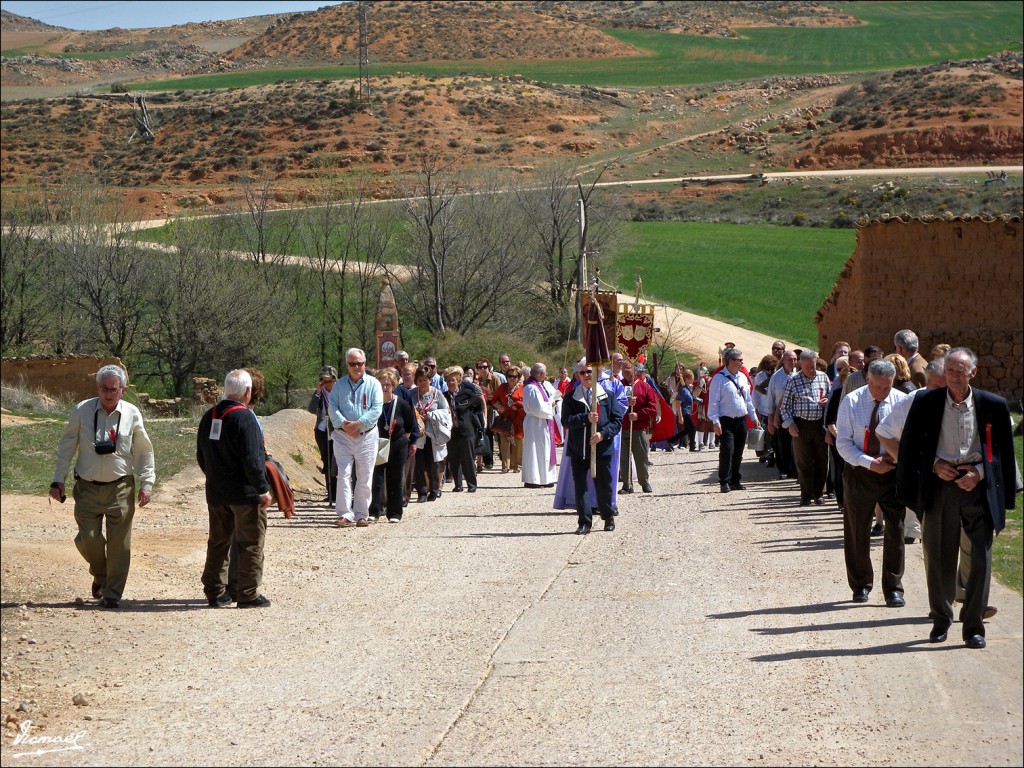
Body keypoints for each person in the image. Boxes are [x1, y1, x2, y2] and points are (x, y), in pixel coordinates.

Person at [889, 349, 1015, 647]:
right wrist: (933, 465)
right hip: (940, 487)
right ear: (944, 374)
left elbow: (1002, 455)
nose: (955, 377)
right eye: (951, 371)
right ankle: (941, 619)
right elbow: (911, 447)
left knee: (980, 560)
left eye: (961, 371)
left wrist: (980, 473)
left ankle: (973, 627)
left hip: (977, 489)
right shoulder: (926, 402)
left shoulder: (993, 405)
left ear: (973, 372)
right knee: (938, 557)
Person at [50, 364, 155, 609]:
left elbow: (143, 449)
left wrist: (147, 482)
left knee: (120, 544)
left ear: (123, 390)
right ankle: (102, 574)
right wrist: (58, 480)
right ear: (97, 387)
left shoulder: (132, 413)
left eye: (113, 389)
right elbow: (67, 446)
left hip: (120, 487)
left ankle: (112, 593)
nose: (108, 394)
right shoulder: (81, 411)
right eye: (103, 388)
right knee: (88, 539)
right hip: (86, 487)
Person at [835, 359, 909, 606]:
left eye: (886, 387)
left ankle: (893, 588)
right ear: (868, 380)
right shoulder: (852, 401)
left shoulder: (901, 401)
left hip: (893, 472)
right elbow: (843, 442)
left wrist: (893, 459)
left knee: (896, 528)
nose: (882, 392)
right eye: (877, 387)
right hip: (860, 471)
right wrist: (869, 462)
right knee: (857, 528)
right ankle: (860, 584)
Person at [197, 369, 272, 609]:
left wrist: (215, 477)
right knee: (250, 542)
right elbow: (252, 459)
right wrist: (262, 488)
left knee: (218, 542)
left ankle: (215, 591)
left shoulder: (210, 415)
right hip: (244, 493)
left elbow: (201, 456)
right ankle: (247, 593)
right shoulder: (245, 418)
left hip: (217, 492)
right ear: (247, 392)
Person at [561, 360, 624, 534]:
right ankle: (584, 522)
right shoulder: (571, 397)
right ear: (577, 375)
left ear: (595, 374)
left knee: (604, 485)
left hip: (602, 449)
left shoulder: (608, 396)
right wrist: (584, 418)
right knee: (580, 487)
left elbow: (617, 421)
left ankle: (608, 517)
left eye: (589, 371)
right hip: (579, 450)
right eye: (583, 373)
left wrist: (603, 434)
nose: (587, 375)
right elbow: (566, 421)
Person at [327, 347, 384, 528]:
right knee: (343, 474)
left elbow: (377, 409)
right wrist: (345, 424)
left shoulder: (374, 384)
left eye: (359, 363)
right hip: (343, 435)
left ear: (365, 364)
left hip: (366, 435)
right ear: (347, 365)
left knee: (365, 475)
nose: (356, 367)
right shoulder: (339, 385)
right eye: (352, 364)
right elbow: (332, 407)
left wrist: (358, 424)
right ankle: (344, 514)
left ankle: (361, 514)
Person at [780, 350, 832, 505]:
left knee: (822, 461)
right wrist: (790, 424)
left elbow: (831, 399)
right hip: (801, 425)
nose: (811, 369)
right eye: (808, 366)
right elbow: (785, 407)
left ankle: (819, 494)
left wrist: (826, 402)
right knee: (804, 462)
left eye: (813, 365)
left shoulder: (823, 377)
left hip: (820, 424)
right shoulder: (793, 381)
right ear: (800, 364)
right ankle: (806, 495)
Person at [708, 348, 759, 493]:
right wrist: (715, 421)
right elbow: (713, 402)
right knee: (727, 451)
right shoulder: (719, 378)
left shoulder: (742, 377)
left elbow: (748, 399)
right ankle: (724, 481)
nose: (742, 362)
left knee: (738, 451)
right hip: (726, 421)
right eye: (740, 360)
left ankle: (735, 480)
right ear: (731, 361)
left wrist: (753, 417)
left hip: (741, 420)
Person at [370, 369, 418, 523]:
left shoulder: (401, 403)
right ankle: (374, 511)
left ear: (393, 385)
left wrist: (405, 441)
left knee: (395, 479)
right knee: (376, 479)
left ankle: (395, 513)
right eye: (381, 385)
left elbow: (411, 425)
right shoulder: (374, 404)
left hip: (397, 446)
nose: (385, 388)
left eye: (387, 385)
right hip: (377, 445)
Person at [619, 360, 658, 494]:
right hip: (623, 427)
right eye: (623, 368)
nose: (625, 371)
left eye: (628, 368)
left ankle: (644, 482)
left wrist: (638, 415)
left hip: (638, 427)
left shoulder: (644, 386)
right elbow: (613, 404)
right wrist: (625, 403)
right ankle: (626, 484)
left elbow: (652, 407)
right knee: (624, 457)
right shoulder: (619, 386)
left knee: (641, 456)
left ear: (635, 369)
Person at [521, 362, 561, 488]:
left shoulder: (539, 385)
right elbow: (537, 408)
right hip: (535, 423)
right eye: (545, 372)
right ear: (541, 374)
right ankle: (533, 479)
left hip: (542, 422)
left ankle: (545, 478)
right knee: (535, 450)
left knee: (544, 450)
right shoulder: (531, 388)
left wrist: (551, 402)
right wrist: (551, 404)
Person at [444, 366, 483, 493]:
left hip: (466, 431)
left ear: (459, 381)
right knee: (453, 459)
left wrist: (469, 413)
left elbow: (479, 404)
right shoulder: (444, 396)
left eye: (453, 380)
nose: (451, 383)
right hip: (451, 431)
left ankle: (472, 484)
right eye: (448, 380)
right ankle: (458, 484)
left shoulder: (466, 394)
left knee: (467, 458)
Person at [413, 366, 449, 502]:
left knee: (433, 463)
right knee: (419, 464)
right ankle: (421, 492)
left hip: (433, 433)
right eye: (420, 380)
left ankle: (434, 490)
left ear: (430, 380)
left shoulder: (437, 394)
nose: (423, 383)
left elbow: (445, 412)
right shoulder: (412, 394)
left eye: (425, 380)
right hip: (418, 435)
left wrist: (431, 415)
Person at [308, 366, 338, 505]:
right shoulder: (320, 393)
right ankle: (330, 492)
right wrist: (318, 393)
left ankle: (339, 491)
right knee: (326, 459)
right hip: (322, 429)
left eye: (330, 381)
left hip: (337, 429)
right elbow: (311, 409)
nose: (328, 384)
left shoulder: (339, 392)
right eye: (325, 381)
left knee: (337, 458)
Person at [492, 367, 525, 473]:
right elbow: (493, 400)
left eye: (514, 376)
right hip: (505, 418)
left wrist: (518, 406)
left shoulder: (523, 388)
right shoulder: (502, 387)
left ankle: (516, 465)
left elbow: (527, 403)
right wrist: (499, 406)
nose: (511, 378)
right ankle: (505, 465)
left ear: (518, 377)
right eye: (509, 376)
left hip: (518, 418)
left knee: (518, 441)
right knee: (504, 442)